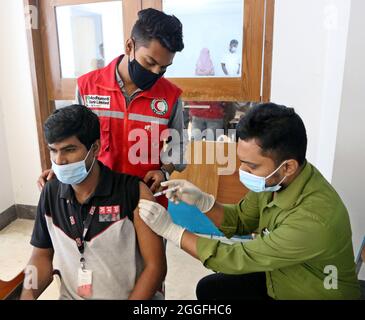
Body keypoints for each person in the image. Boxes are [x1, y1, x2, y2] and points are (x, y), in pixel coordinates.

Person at [138, 103, 361, 300]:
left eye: (251, 166)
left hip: (311, 293)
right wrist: (203, 201)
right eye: (242, 161)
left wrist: (172, 231)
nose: (242, 170)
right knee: (211, 289)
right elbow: (241, 221)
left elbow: (237, 258)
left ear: (288, 166)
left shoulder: (314, 219)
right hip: (282, 275)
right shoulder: (276, 180)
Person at [38, 8, 187, 209]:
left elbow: (179, 146)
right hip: (97, 199)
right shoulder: (88, 86)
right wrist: (61, 168)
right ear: (129, 46)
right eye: (150, 62)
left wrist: (165, 171)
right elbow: (72, 139)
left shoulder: (170, 97)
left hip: (146, 199)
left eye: (163, 68)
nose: (155, 73)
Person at [21, 105, 166, 300]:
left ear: (95, 148)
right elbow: (40, 256)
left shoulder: (133, 192)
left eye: (69, 150)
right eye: (53, 151)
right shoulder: (50, 192)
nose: (59, 160)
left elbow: (155, 267)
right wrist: (27, 293)